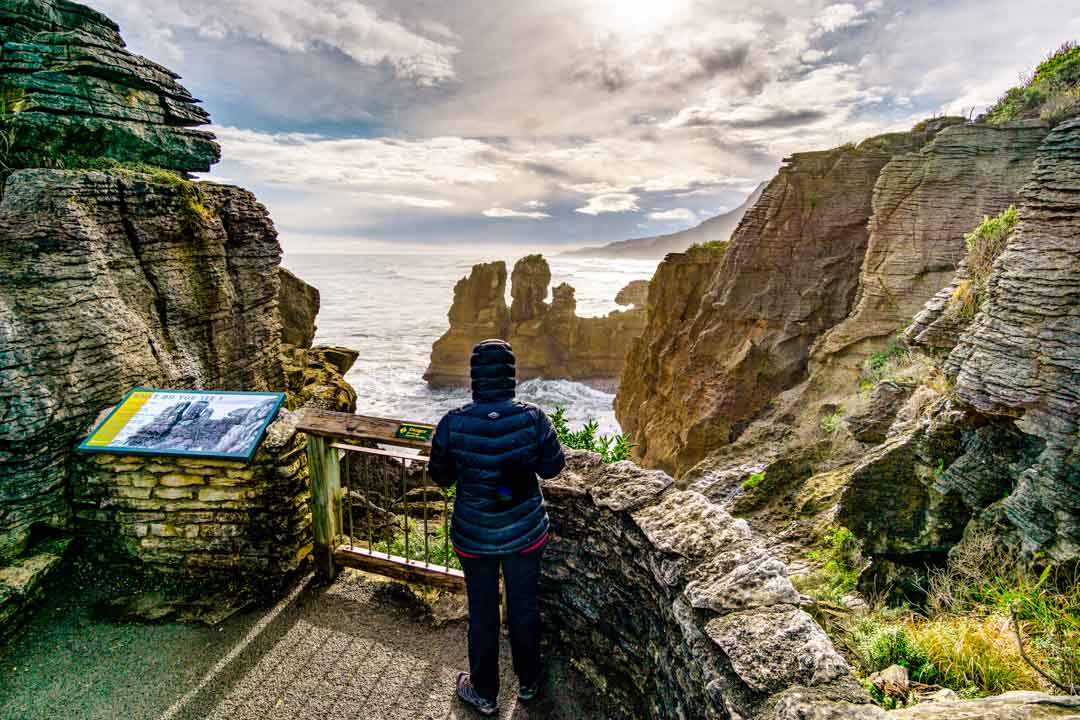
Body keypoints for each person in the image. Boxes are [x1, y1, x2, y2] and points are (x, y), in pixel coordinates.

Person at [428, 338, 566, 716]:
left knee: (483, 613)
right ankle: (529, 682)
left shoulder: (453, 422)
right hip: (525, 532)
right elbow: (553, 468)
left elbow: (440, 477)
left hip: (474, 535)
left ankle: (484, 693)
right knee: (524, 608)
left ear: (476, 376)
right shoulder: (533, 418)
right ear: (510, 375)